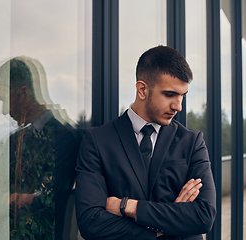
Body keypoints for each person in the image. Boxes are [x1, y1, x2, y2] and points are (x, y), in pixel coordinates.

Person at [75, 46, 216, 240]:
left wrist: (127, 206)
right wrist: (165, 226)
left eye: (182, 95)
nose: (178, 106)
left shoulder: (192, 142)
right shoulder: (97, 141)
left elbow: (203, 216)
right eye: (169, 95)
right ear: (142, 89)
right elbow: (90, 221)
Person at [0, 57, 80, 239]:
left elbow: (49, 200)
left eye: (4, 99)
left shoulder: (63, 139)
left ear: (23, 94)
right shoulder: (14, 142)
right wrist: (18, 199)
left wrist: (4, 197)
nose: (3, 110)